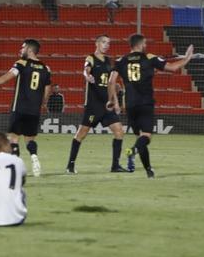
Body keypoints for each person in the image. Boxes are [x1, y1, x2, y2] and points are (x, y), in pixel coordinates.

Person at [107, 34, 194, 178]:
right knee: (146, 137)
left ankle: (149, 170)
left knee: (140, 137)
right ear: (140, 45)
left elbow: (111, 82)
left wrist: (112, 100)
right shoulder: (149, 57)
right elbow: (172, 68)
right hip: (145, 103)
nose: (146, 46)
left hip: (130, 105)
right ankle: (134, 151)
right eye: (145, 43)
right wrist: (187, 58)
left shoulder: (120, 61)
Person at [0, 39, 52, 177]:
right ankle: (34, 158)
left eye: (23, 47)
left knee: (14, 139)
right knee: (30, 140)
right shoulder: (45, 68)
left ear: (29, 50)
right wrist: (43, 103)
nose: (20, 50)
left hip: (19, 107)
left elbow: (6, 77)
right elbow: (48, 88)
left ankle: (17, 168)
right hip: (34, 110)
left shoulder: (21, 63)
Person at [67, 35, 127, 174]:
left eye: (108, 43)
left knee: (119, 131)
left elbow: (112, 84)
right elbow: (86, 69)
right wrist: (87, 76)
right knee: (81, 134)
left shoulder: (108, 61)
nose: (107, 45)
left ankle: (115, 166)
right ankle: (70, 165)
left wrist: (115, 102)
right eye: (104, 42)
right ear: (97, 43)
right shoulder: (90, 58)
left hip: (107, 105)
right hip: (93, 105)